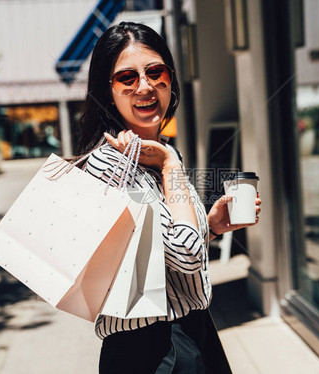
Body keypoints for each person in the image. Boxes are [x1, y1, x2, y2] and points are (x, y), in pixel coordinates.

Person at [77, 22, 262, 374]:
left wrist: (210, 226)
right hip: (150, 351)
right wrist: (170, 166)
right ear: (108, 90)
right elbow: (187, 257)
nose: (144, 86)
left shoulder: (159, 152)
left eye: (155, 71)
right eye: (126, 77)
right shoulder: (109, 164)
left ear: (171, 78)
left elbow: (165, 252)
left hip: (194, 331)